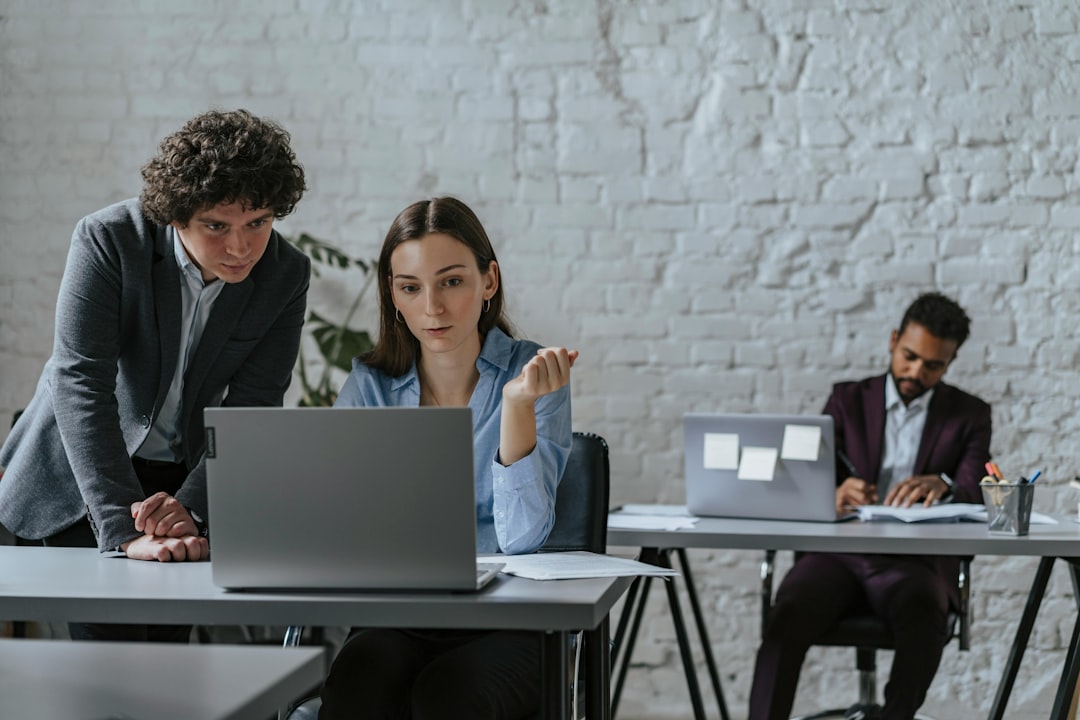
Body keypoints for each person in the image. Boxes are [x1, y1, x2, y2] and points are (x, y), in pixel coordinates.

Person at [0, 109, 310, 639]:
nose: (240, 248)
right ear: (175, 215)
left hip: (183, 479)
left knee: (170, 660)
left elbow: (252, 406)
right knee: (113, 658)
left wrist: (188, 508)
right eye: (216, 226)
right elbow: (82, 384)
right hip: (85, 477)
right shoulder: (109, 240)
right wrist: (123, 529)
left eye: (257, 223)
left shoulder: (285, 273)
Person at [317, 196, 576, 719]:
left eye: (452, 281)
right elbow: (336, 523)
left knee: (448, 695)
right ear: (394, 295)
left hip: (511, 621)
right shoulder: (372, 385)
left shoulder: (532, 373)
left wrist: (517, 407)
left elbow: (522, 538)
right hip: (398, 614)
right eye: (411, 287)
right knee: (357, 683)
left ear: (489, 280)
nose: (432, 307)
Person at [748, 292, 992, 720]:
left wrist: (945, 482)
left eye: (933, 365)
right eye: (910, 356)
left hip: (915, 563)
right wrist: (834, 493)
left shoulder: (970, 415)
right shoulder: (846, 399)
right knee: (786, 620)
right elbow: (807, 475)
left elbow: (975, 488)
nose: (917, 372)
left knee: (923, 622)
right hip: (836, 556)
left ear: (950, 363)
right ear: (894, 340)